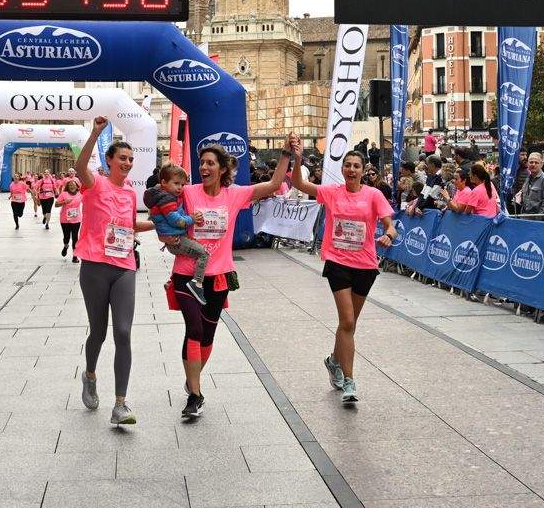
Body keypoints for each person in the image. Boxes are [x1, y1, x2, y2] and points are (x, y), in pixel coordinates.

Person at [172, 137, 292, 421]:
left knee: (208, 335)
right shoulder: (188, 193)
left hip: (219, 276)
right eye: (202, 163)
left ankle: (193, 379)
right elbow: (163, 205)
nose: (204, 167)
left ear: (223, 169)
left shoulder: (234, 195)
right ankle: (195, 395)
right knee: (194, 329)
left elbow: (274, 185)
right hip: (187, 275)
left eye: (210, 163)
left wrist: (286, 154)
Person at [291, 144, 394, 404]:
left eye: (356, 166)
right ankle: (349, 381)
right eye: (347, 165)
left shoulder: (373, 195)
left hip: (365, 264)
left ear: (362, 170)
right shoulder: (331, 192)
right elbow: (300, 184)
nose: (351, 169)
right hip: (338, 262)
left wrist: (389, 235)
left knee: (349, 325)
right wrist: (297, 160)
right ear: (342, 169)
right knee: (347, 321)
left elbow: (389, 225)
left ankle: (334, 360)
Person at [74, 117, 157, 426]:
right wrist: (95, 133)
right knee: (99, 331)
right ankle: (90, 375)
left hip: (124, 265)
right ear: (109, 161)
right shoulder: (95, 183)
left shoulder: (129, 194)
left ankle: (120, 404)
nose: (127, 163)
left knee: (122, 332)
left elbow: (129, 225)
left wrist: (159, 226)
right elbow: (81, 165)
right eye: (122, 158)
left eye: (131, 159)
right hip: (95, 266)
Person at [144, 163, 210, 304]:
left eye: (182, 184)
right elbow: (177, 221)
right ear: (163, 183)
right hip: (176, 239)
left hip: (176, 238)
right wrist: (192, 219)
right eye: (176, 183)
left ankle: (178, 282)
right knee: (203, 253)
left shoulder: (165, 195)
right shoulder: (166, 200)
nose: (180, 187)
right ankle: (197, 283)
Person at [519, 152, 544, 217]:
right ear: (528, 164)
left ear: (541, 164)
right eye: (531, 162)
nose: (533, 164)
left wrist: (538, 220)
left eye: (536, 162)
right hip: (526, 219)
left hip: (540, 222)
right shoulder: (528, 179)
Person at [58, 177, 84, 262]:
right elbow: (56, 204)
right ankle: (66, 246)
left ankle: (75, 256)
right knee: (66, 237)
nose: (72, 186)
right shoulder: (64, 194)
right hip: (65, 219)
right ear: (67, 187)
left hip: (76, 219)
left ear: (77, 186)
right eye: (70, 185)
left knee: (75, 237)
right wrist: (64, 202)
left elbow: (88, 201)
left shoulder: (80, 194)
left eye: (73, 185)